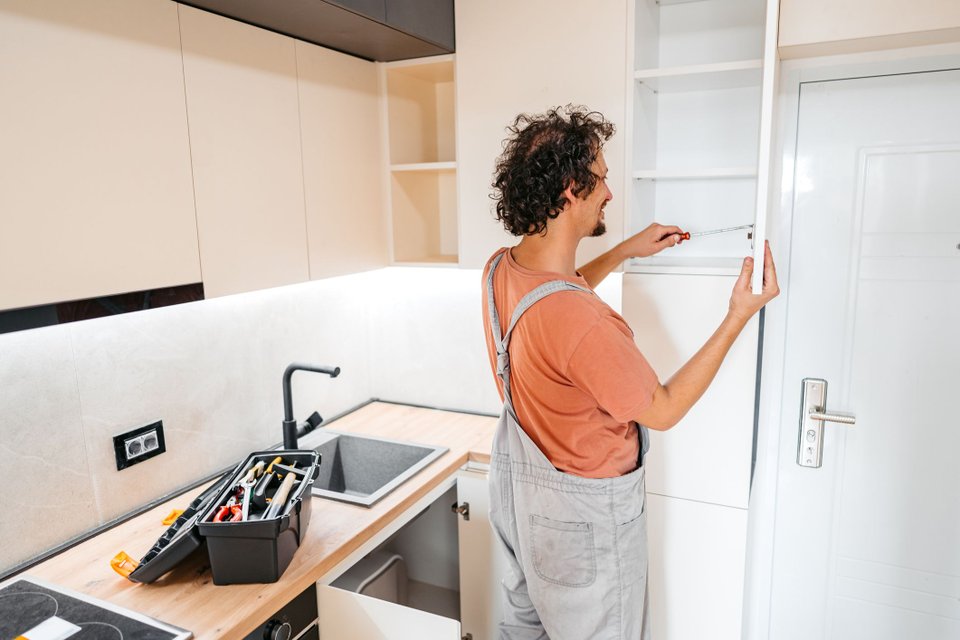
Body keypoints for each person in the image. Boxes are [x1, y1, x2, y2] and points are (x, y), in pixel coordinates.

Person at [481, 105, 779, 639]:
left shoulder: (502, 269)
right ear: (571, 189)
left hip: (521, 506)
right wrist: (737, 316)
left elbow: (558, 298)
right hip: (582, 528)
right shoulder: (583, 322)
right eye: (601, 179)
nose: (610, 194)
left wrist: (623, 251)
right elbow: (661, 410)